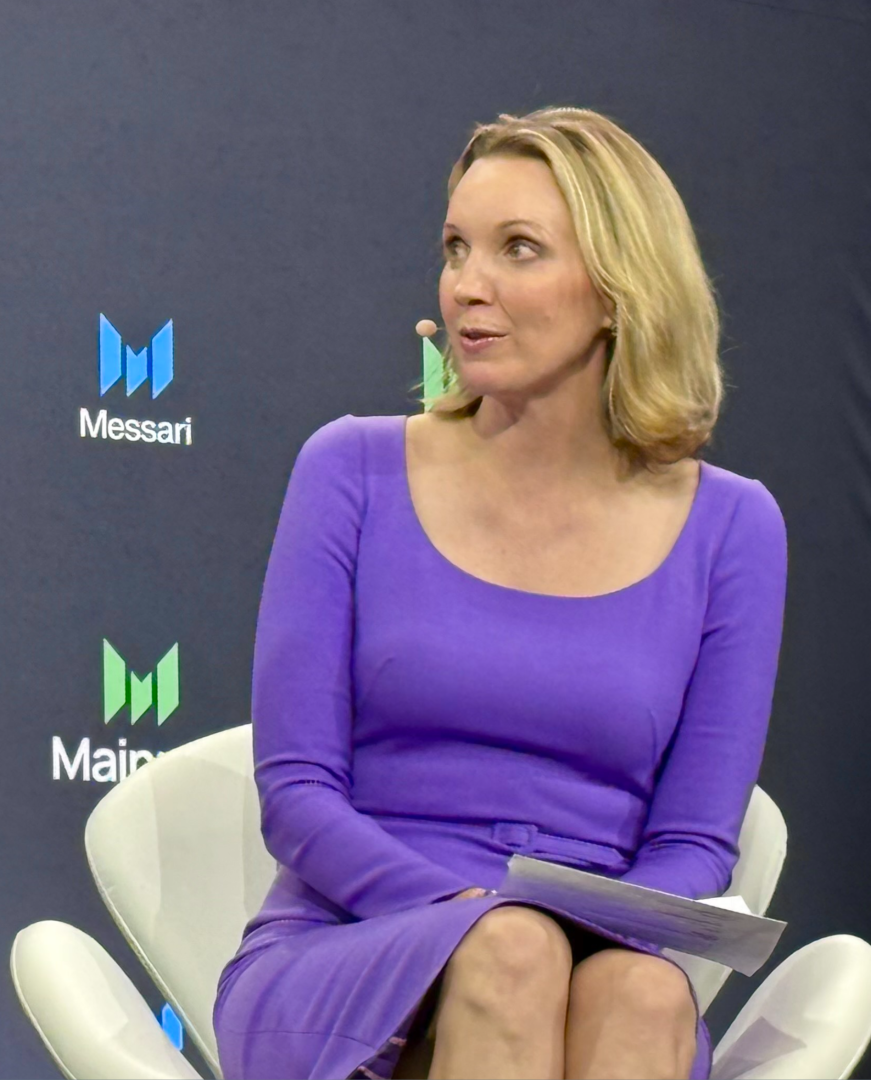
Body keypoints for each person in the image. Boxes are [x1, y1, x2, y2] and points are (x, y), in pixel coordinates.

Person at [212, 108, 786, 1080]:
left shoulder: (733, 527)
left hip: (593, 958)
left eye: (518, 250)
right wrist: (480, 918)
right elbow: (298, 798)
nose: (468, 286)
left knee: (644, 991)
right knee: (513, 958)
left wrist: (565, 931)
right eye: (456, 248)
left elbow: (693, 844)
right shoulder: (350, 470)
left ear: (618, 291)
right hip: (352, 942)